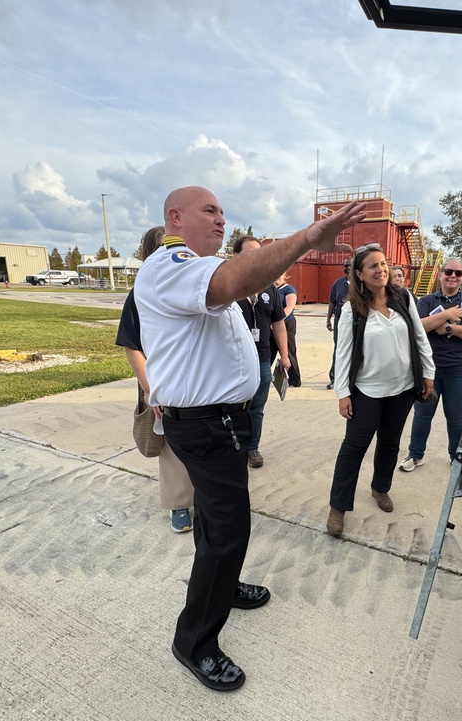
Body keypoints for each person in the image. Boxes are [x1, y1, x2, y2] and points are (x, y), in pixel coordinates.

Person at [134, 186, 364, 691]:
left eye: (222, 211)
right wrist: (307, 238)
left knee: (218, 524)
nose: (220, 220)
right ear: (175, 216)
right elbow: (235, 280)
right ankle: (193, 641)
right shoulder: (172, 263)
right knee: (228, 529)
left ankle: (225, 584)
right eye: (208, 211)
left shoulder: (197, 265)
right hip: (205, 422)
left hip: (223, 420)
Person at [326, 244, 434, 537]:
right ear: (359, 274)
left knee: (390, 443)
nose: (381, 269)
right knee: (353, 449)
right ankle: (338, 507)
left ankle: (380, 488)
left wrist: (428, 372)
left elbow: (419, 337)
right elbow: (343, 353)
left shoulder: (404, 297)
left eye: (384, 263)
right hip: (367, 390)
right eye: (372, 266)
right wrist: (343, 393)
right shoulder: (351, 309)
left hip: (402, 388)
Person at [115, 225, 193, 533]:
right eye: (163, 248)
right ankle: (179, 504)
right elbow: (132, 347)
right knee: (171, 447)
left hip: (192, 378)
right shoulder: (140, 294)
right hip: (161, 382)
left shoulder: (189, 287)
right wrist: (153, 392)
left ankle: (202, 497)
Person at [400, 258, 462, 472]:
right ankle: (415, 455)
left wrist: (449, 329)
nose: (453, 276)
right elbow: (417, 326)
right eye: (448, 271)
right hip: (429, 370)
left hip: (461, 369)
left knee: (456, 418)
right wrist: (446, 315)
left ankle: (456, 456)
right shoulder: (426, 302)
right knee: (422, 415)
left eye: (458, 273)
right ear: (440, 274)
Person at [232, 235, 290, 469]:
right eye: (249, 253)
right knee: (234, 409)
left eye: (259, 253)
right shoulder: (228, 286)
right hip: (234, 363)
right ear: (237, 257)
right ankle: (234, 448)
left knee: (257, 409)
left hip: (263, 362)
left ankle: (252, 449)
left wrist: (284, 355)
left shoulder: (269, 288)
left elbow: (278, 323)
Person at [325, 254, 353, 389]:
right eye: (345, 265)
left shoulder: (362, 283)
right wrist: (328, 319)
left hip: (357, 321)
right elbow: (332, 302)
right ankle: (334, 378)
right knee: (339, 349)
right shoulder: (337, 283)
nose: (347, 267)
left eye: (350, 265)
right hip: (340, 321)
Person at [274, 272, 301, 387]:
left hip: (286, 324)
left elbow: (289, 307)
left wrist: (277, 319)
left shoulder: (288, 289)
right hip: (271, 325)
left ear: (284, 275)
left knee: (288, 352)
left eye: (279, 275)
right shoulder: (269, 289)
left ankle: (294, 380)